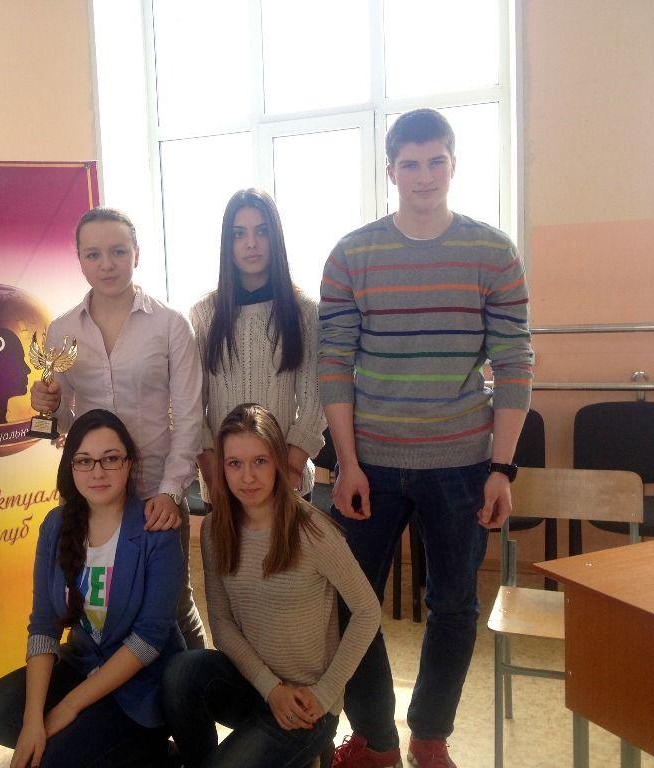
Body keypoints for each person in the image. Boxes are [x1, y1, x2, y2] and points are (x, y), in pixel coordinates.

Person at [318, 109, 534, 768]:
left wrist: (501, 468)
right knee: (348, 601)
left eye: (436, 160)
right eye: (410, 163)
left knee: (455, 606)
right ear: (390, 171)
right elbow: (334, 365)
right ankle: (376, 737)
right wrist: (347, 463)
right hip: (371, 464)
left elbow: (515, 364)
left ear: (453, 164)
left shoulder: (493, 252)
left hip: (462, 463)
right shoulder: (352, 254)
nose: (424, 175)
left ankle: (430, 735)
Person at [161, 403, 378, 768]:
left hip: (307, 704)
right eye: (235, 463)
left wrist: (325, 694)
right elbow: (222, 624)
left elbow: (367, 611)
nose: (247, 477)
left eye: (259, 461)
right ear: (221, 468)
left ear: (278, 462)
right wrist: (270, 688)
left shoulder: (313, 531)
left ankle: (308, 750)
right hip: (254, 685)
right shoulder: (216, 530)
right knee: (181, 672)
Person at [30, 207, 206, 649]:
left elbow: (190, 416)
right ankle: (114, 685)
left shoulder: (170, 325)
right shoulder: (62, 330)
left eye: (118, 251)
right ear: (79, 259)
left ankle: (194, 685)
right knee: (99, 601)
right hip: (94, 494)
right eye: (93, 254)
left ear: (136, 254)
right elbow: (62, 428)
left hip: (155, 493)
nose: (106, 264)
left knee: (174, 604)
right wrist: (47, 406)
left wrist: (171, 491)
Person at [0, 408, 185, 768]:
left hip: (140, 683)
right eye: (84, 461)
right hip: (83, 663)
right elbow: (44, 626)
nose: (98, 472)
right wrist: (33, 720)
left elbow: (148, 640)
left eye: (111, 459)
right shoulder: (56, 526)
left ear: (130, 463)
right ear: (70, 468)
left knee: (54, 759)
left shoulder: (156, 530)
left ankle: (153, 754)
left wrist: (68, 707)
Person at [189, 188, 325, 501]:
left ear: (275, 237)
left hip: (287, 483)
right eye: (239, 234)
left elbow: (315, 402)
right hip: (224, 485)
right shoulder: (204, 314)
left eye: (261, 231)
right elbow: (192, 406)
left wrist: (287, 474)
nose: (251, 243)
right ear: (227, 243)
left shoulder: (304, 312)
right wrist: (215, 478)